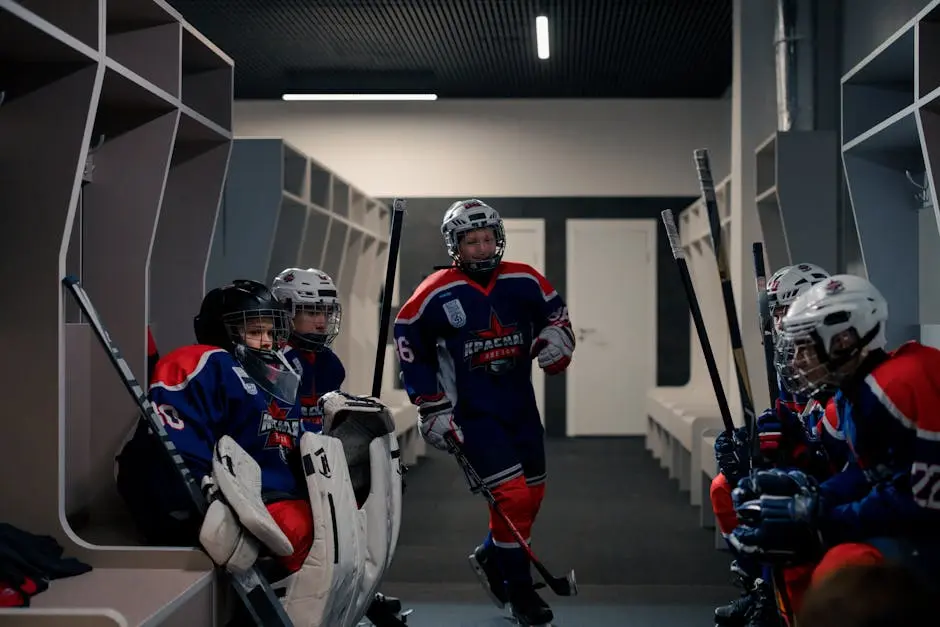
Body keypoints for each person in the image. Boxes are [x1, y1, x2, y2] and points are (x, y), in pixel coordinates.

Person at [116, 280, 394, 627]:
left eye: (269, 330)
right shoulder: (206, 362)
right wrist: (202, 490)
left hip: (275, 496)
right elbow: (179, 434)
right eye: (253, 331)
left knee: (351, 530)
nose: (265, 340)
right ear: (222, 331)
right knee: (315, 540)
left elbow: (288, 442)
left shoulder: (276, 375)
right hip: (248, 500)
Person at [393, 199, 575, 626]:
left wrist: (556, 340)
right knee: (510, 498)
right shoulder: (436, 290)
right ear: (455, 244)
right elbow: (408, 343)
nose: (480, 247)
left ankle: (493, 555)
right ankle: (519, 593)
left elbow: (557, 316)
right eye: (470, 240)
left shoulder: (524, 279)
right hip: (472, 415)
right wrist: (429, 403)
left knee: (531, 496)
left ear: (499, 237)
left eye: (487, 238)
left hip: (521, 407)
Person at [728, 274, 940, 615]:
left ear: (843, 340)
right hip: (917, 521)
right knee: (786, 541)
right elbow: (868, 473)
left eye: (805, 347)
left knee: (840, 569)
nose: (796, 360)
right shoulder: (853, 392)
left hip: (927, 530)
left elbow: (920, 499)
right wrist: (815, 495)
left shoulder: (901, 385)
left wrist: (823, 516)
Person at [710, 263, 832, 627]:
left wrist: (790, 452)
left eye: (784, 311)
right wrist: (750, 441)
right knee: (725, 484)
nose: (778, 321)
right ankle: (760, 584)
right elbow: (784, 415)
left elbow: (831, 440)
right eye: (776, 312)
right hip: (807, 460)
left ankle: (782, 599)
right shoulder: (790, 362)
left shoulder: (832, 360)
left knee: (769, 501)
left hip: (828, 472)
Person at [271, 267, 346, 431]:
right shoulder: (276, 361)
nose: (322, 323)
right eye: (312, 312)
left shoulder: (330, 361)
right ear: (286, 312)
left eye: (327, 313)